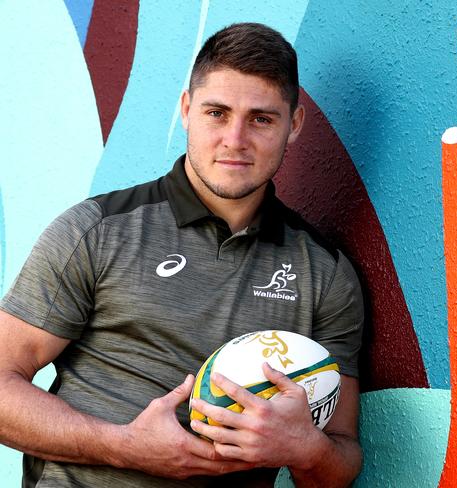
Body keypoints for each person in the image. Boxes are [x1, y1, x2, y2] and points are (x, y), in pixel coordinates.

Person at [0, 23, 364, 487]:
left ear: (293, 126)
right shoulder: (96, 230)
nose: (235, 139)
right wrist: (123, 445)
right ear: (187, 109)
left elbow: (339, 460)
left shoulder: (326, 275)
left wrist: (304, 447)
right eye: (217, 112)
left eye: (261, 119)